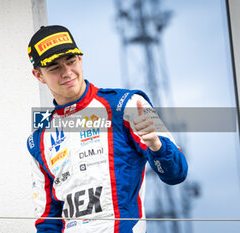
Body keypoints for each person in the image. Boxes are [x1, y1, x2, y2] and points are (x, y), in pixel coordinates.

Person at [26, 25, 188, 233]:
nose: (67, 72)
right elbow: (48, 220)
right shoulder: (38, 140)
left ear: (80, 60)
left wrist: (157, 146)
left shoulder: (128, 104)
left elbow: (176, 174)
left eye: (71, 61)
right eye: (54, 68)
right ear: (39, 75)